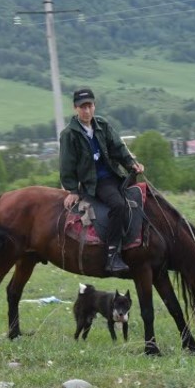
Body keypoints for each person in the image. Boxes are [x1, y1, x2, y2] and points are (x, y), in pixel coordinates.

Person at [59, 87, 145, 275]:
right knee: (118, 205)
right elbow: (67, 165)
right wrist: (73, 190)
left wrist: (132, 164)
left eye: (89, 106)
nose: (86, 110)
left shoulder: (102, 125)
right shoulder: (69, 135)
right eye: (82, 107)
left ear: (94, 106)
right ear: (75, 108)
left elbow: (118, 148)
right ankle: (112, 255)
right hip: (96, 183)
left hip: (114, 175)